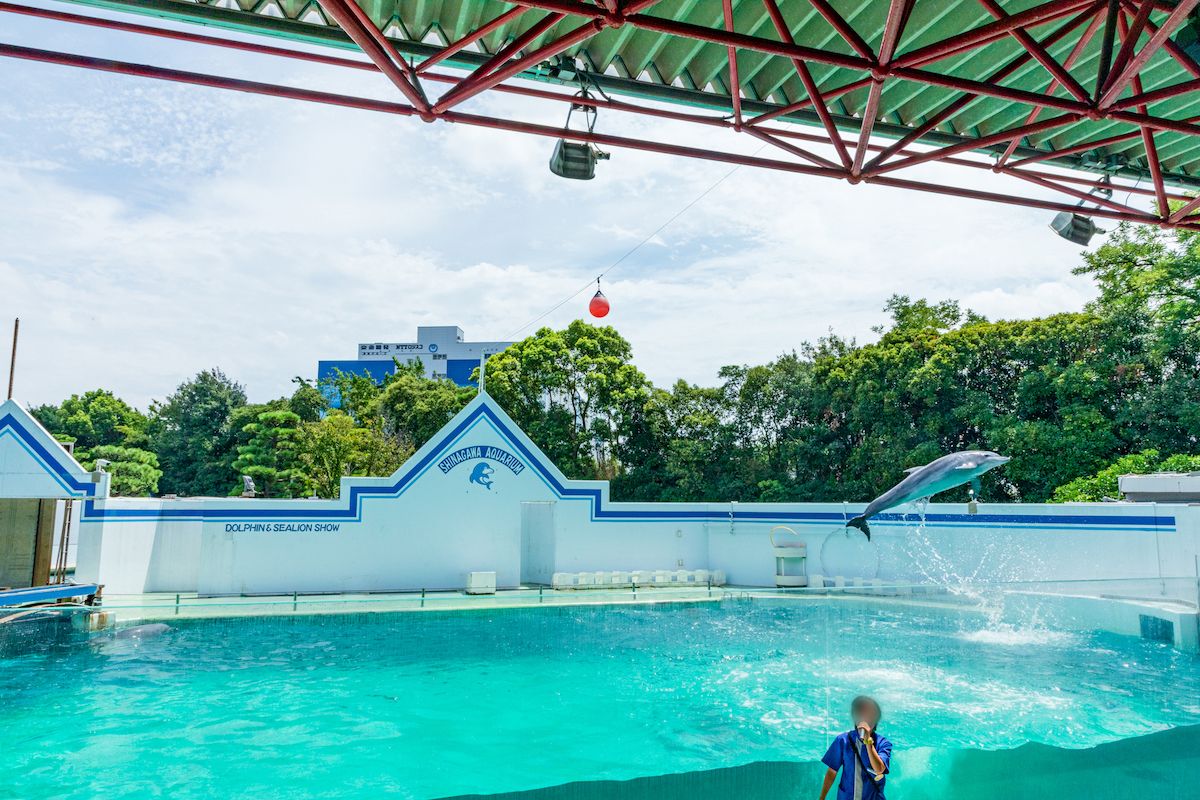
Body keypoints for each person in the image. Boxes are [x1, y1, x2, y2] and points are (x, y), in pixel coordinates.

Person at [818, 696, 892, 800]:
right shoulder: (843, 740)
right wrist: (822, 798)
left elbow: (879, 769)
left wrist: (868, 741)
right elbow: (832, 771)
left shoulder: (883, 743)